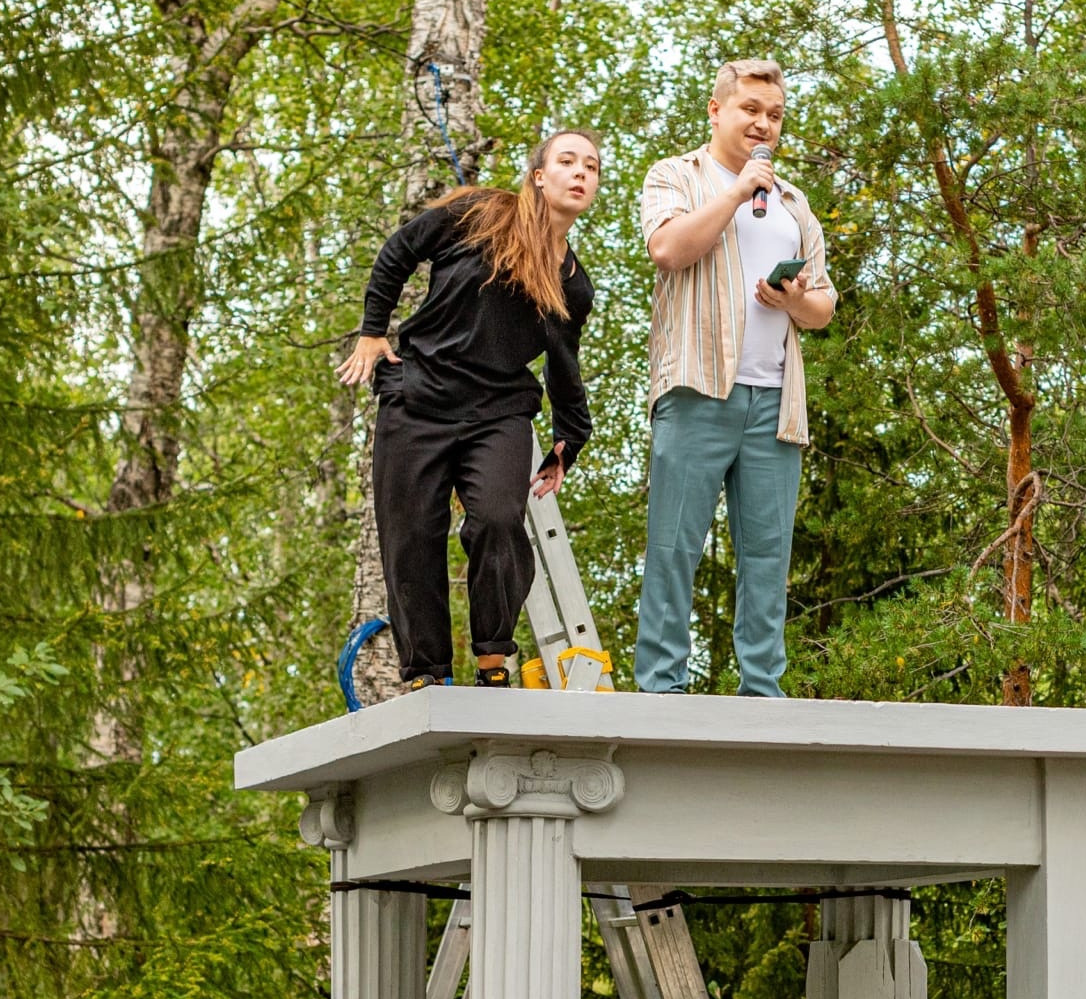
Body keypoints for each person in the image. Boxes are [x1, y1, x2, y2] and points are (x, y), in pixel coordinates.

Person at [339, 131, 602, 689]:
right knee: (411, 538)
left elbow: (563, 364)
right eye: (567, 161)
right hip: (417, 399)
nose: (581, 173)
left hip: (498, 413)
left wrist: (567, 441)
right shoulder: (479, 213)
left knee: (499, 521)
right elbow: (399, 251)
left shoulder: (573, 286)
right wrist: (371, 332)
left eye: (592, 167)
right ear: (538, 175)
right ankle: (426, 675)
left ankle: (493, 660)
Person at [633, 57, 836, 698]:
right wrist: (735, 189)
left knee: (768, 558)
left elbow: (823, 307)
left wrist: (791, 302)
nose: (764, 125)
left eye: (774, 115)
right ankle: (662, 690)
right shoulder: (676, 176)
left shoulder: (794, 203)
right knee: (673, 547)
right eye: (751, 110)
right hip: (697, 389)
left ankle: (761, 694)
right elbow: (668, 250)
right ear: (717, 110)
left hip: (775, 402)